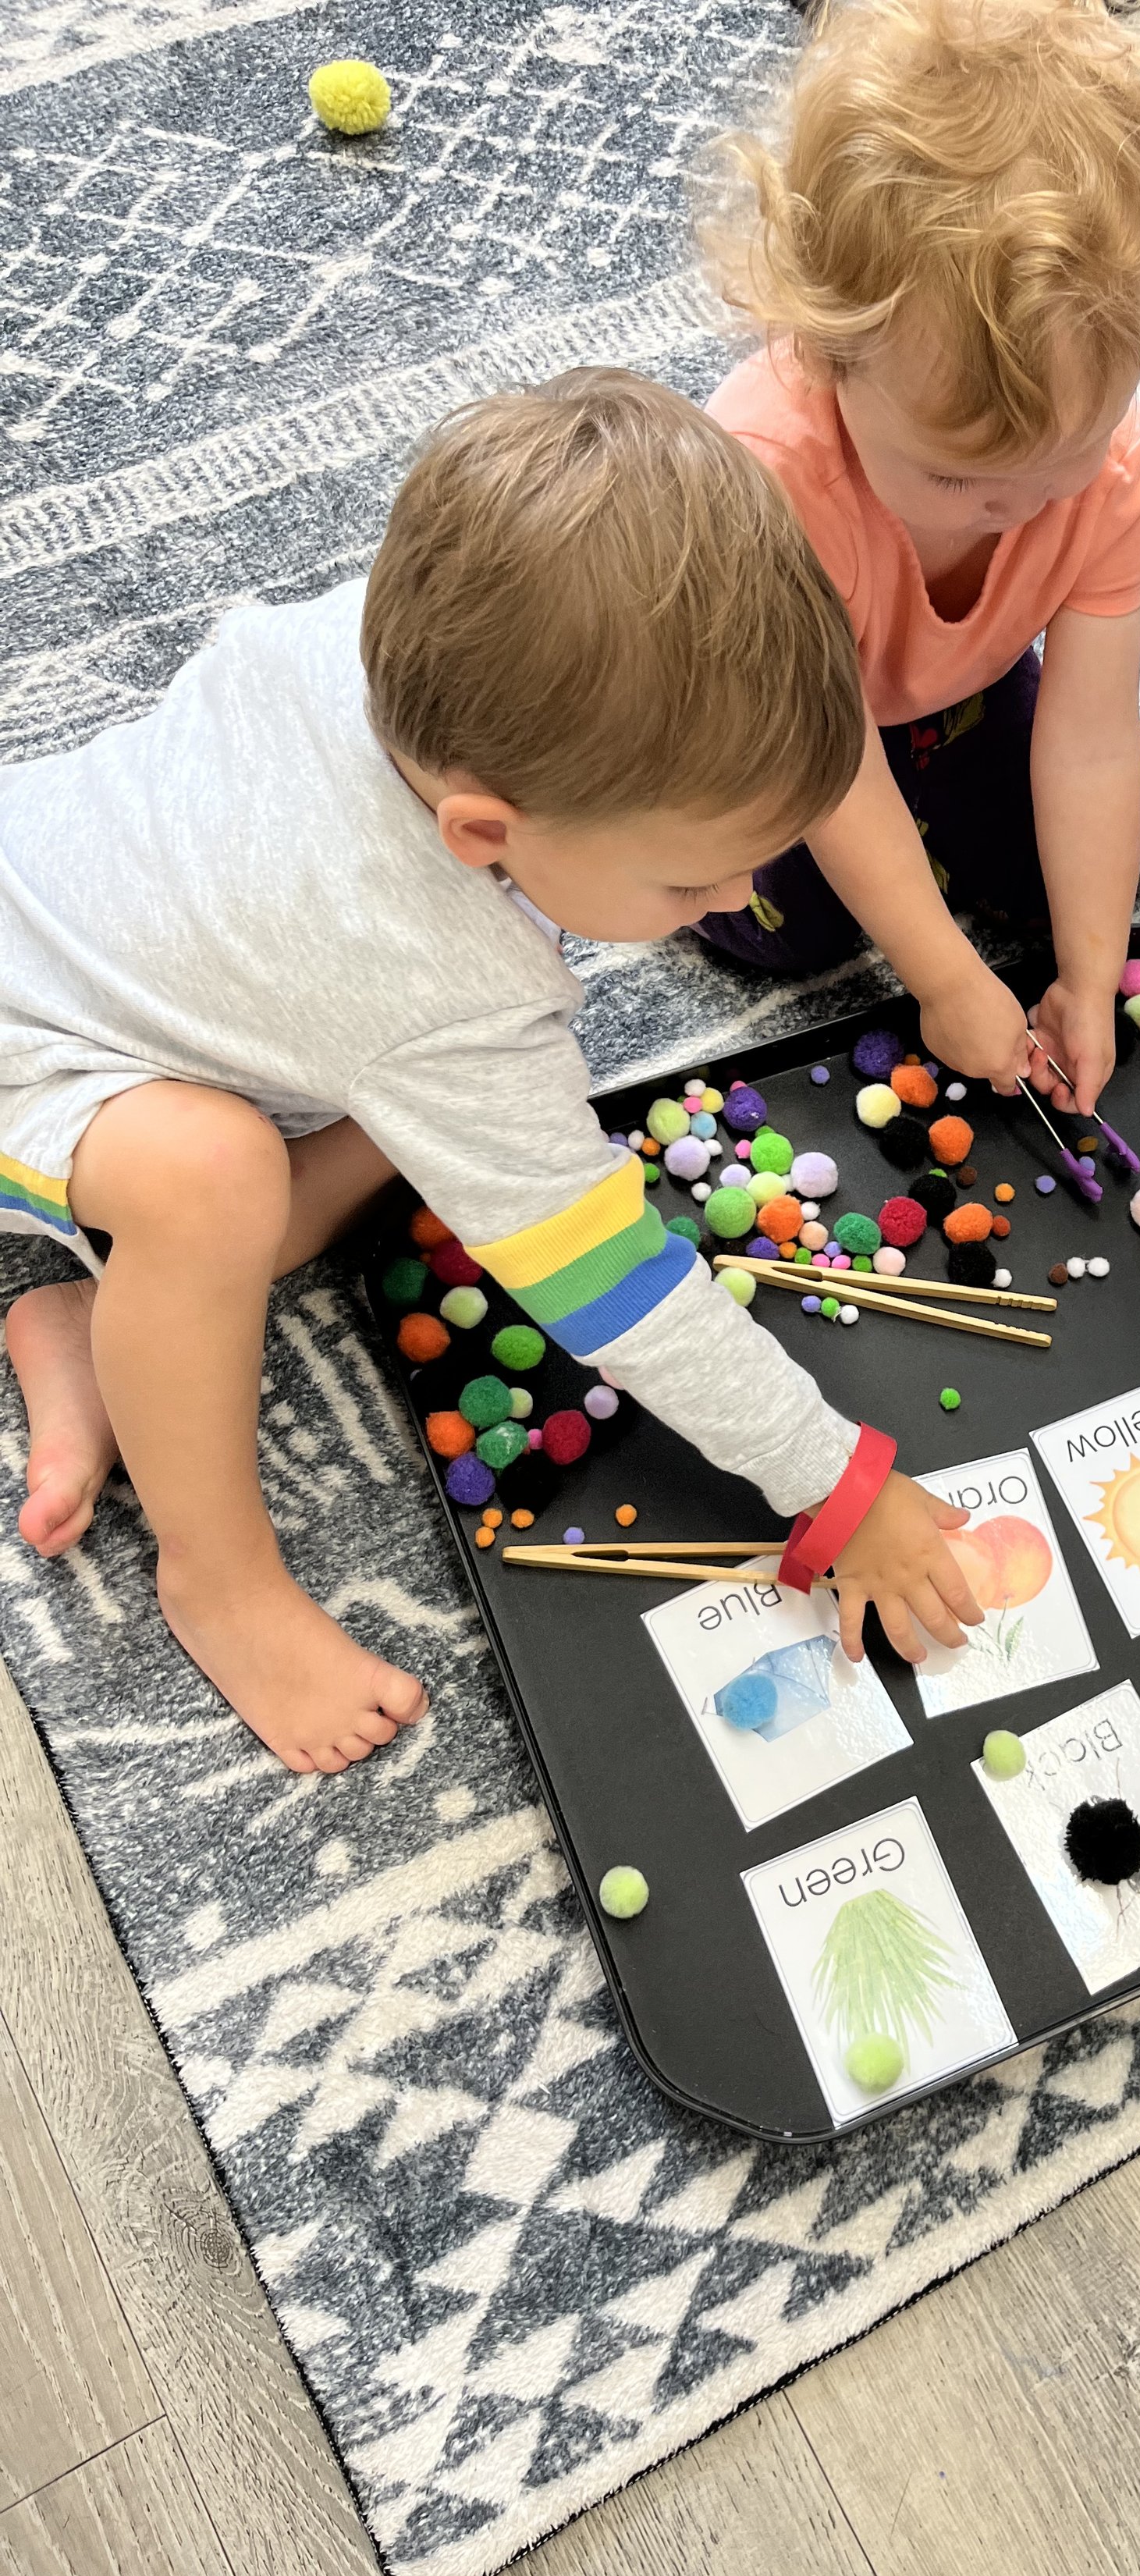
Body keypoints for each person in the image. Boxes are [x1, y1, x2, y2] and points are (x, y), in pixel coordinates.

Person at [0, 371, 981, 1776]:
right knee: (213, 1181)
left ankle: (101, 1327)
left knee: (427, 1128)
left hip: (95, 914)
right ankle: (216, 1579)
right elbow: (617, 1288)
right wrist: (835, 1485)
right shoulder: (439, 989)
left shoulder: (406, 643)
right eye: (695, 875)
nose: (745, 889)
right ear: (481, 830)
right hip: (30, 1048)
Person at [698, 0, 1140, 1118]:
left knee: (1064, 884)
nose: (1016, 513)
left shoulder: (1113, 474)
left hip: (969, 699)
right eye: (957, 481)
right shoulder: (765, 481)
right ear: (831, 356)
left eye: (1057, 468)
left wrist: (1089, 971)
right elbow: (833, 770)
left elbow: (1082, 746)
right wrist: (941, 974)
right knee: (774, 921)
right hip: (791, 719)